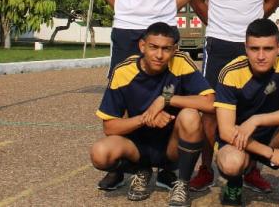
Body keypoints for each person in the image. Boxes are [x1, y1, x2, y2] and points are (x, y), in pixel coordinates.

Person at [99, 0, 192, 191]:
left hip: (163, 32)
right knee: (124, 100)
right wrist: (130, 13)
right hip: (127, 30)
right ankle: (123, 167)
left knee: (169, 96)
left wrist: (160, 19)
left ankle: (167, 166)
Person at [189, 0, 279, 192]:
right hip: (218, 44)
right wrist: (217, 24)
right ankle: (206, 168)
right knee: (209, 110)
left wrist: (252, 31)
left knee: (254, 108)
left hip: (253, 48)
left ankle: (250, 168)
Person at [90, 23, 215, 207]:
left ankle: (182, 183)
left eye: (166, 49)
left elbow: (210, 103)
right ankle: (141, 171)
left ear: (175, 49)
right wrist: (146, 118)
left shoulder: (180, 62)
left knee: (190, 115)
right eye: (153, 47)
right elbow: (109, 127)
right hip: (137, 147)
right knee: (99, 153)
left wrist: (166, 100)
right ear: (142, 46)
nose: (159, 55)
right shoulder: (123, 71)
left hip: (172, 147)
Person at [214, 19, 279, 207]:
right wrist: (269, 153)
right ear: (245, 48)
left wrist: (256, 120)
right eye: (254, 48)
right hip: (238, 139)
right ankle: (235, 185)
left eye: (268, 48)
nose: (260, 56)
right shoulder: (230, 73)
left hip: (271, 134)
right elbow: (226, 131)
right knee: (231, 163)